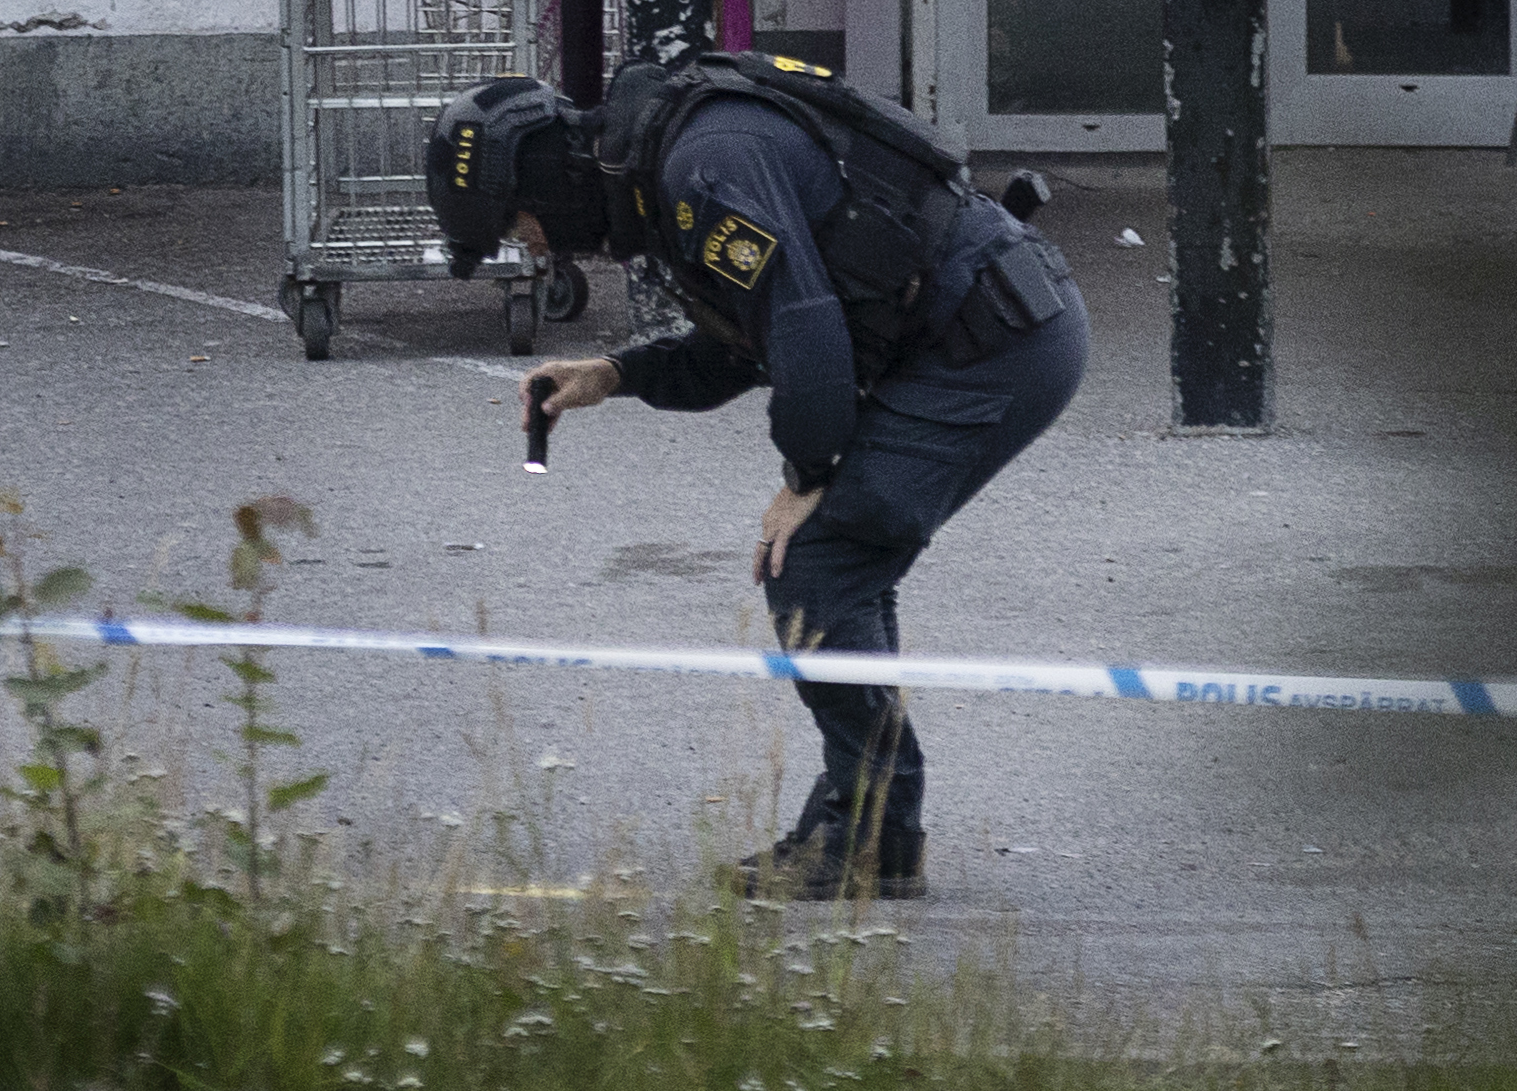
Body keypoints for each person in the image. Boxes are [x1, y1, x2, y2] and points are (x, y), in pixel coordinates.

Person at [423, 55, 1088, 901]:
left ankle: (866, 839)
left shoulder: (703, 166)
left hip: (992, 341)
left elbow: (804, 328)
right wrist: (617, 374)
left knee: (817, 562)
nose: (533, 245)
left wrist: (807, 475)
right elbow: (747, 344)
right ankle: (872, 823)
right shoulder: (672, 169)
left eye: (519, 223)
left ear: (545, 181)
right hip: (972, 330)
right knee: (841, 567)